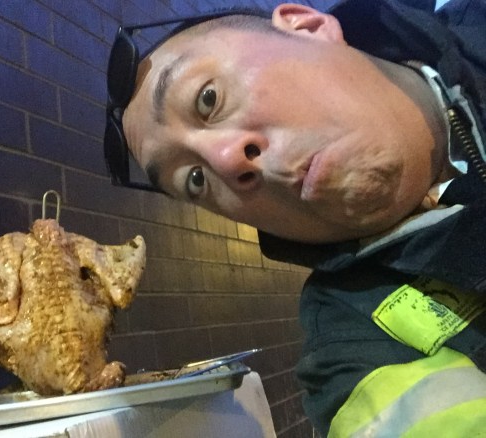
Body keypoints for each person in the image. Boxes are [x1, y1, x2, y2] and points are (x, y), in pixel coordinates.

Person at [104, 0, 486, 435]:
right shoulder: (351, 346)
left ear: (307, 26)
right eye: (195, 179)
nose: (226, 161)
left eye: (208, 99)